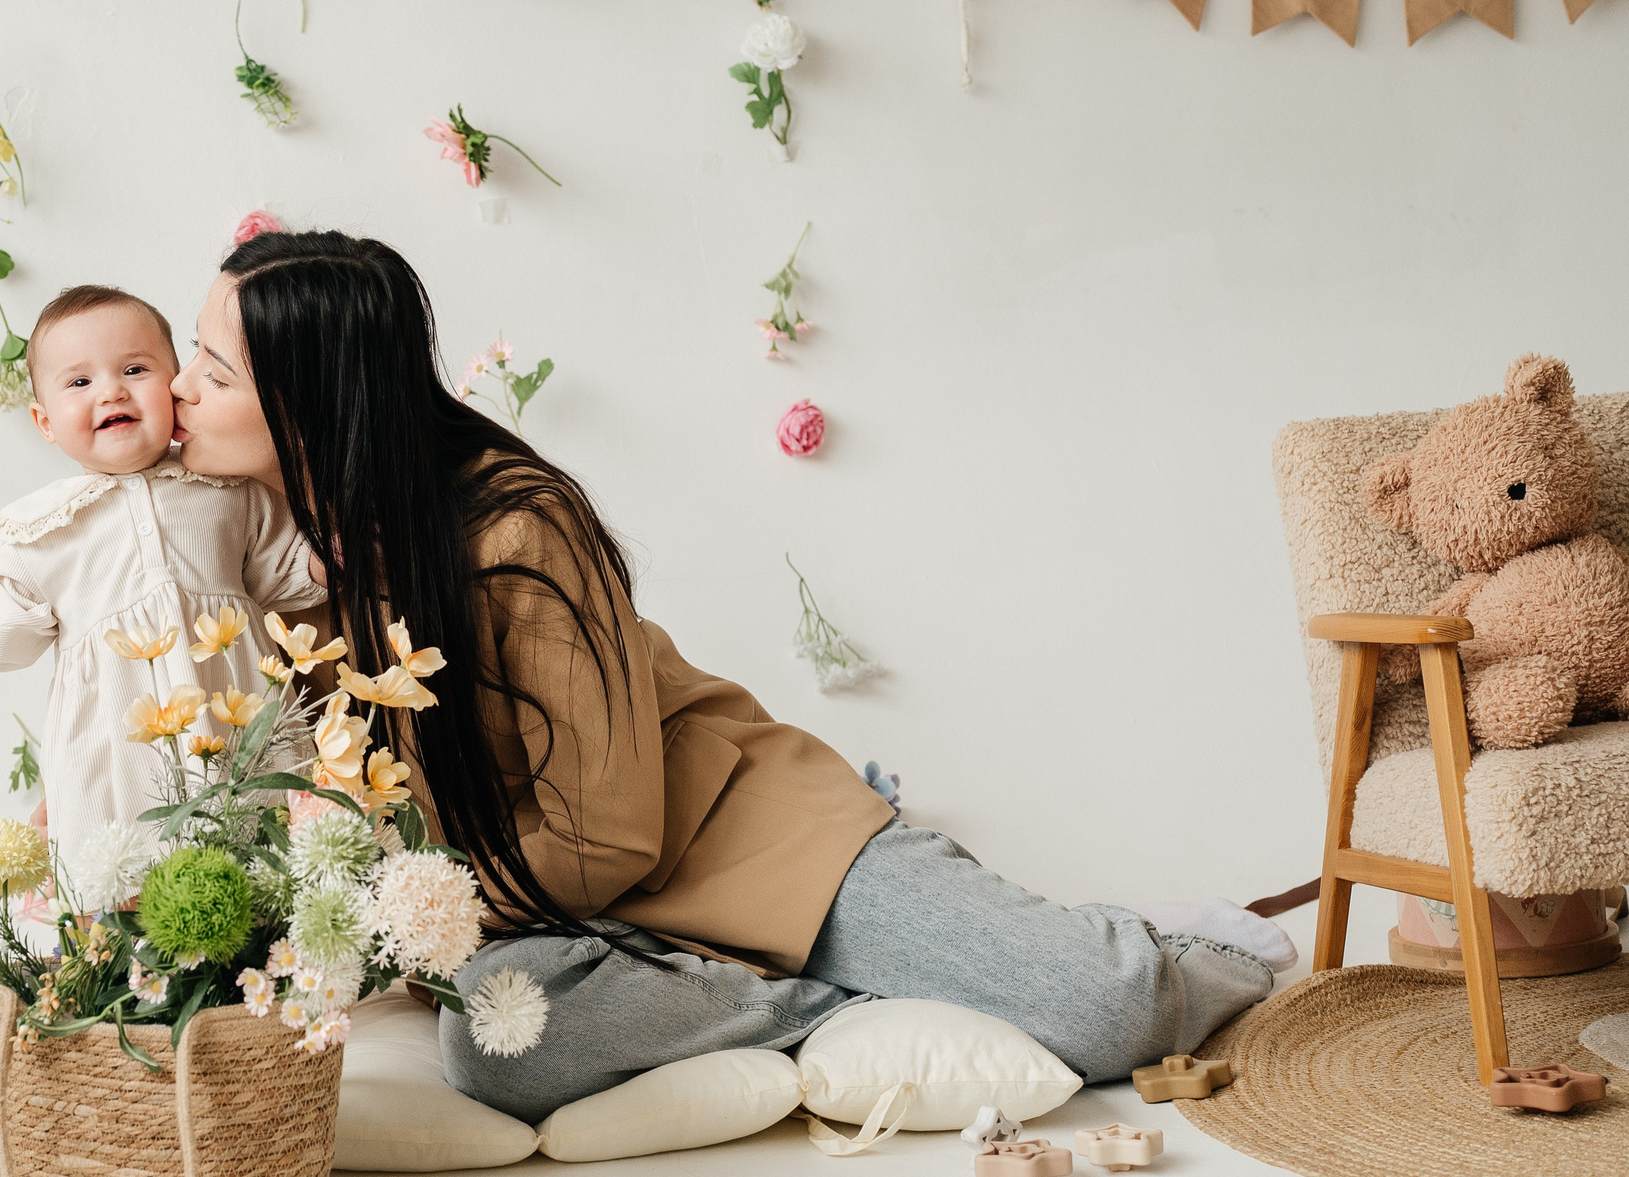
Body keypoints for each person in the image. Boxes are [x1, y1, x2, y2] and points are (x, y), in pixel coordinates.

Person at [168, 231, 1280, 1123]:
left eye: (212, 370)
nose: (177, 387)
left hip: (742, 847)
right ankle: (852, 993)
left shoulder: (517, 526)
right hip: (560, 918)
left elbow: (610, 833)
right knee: (497, 1044)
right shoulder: (265, 554)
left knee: (1109, 1006)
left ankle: (1183, 945)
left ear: (310, 402)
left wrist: (422, 916)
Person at [0, 284, 324, 865]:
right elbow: (1, 630)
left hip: (238, 713)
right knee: (137, 865)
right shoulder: (43, 528)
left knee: (277, 842)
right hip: (120, 750)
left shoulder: (225, 487)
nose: (112, 390)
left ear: (176, 386)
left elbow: (280, 568)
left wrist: (330, 558)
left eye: (134, 368)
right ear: (44, 422)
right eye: (80, 382)